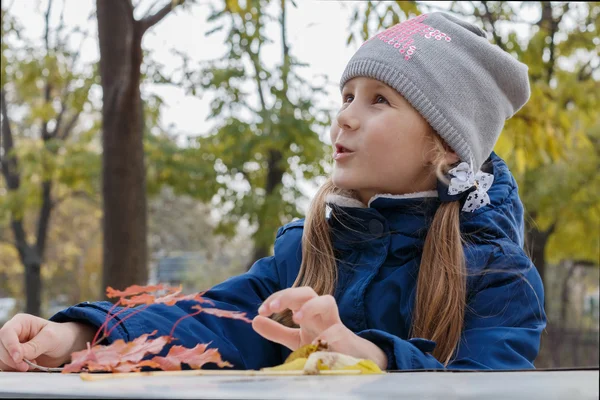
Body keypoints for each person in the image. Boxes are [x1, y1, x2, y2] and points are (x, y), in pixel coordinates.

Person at [0, 12, 546, 373]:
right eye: (347, 94)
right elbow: (211, 318)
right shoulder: (305, 251)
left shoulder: (497, 274)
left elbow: (488, 385)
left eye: (379, 100)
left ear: (447, 145)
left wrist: (371, 359)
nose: (345, 117)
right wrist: (78, 334)